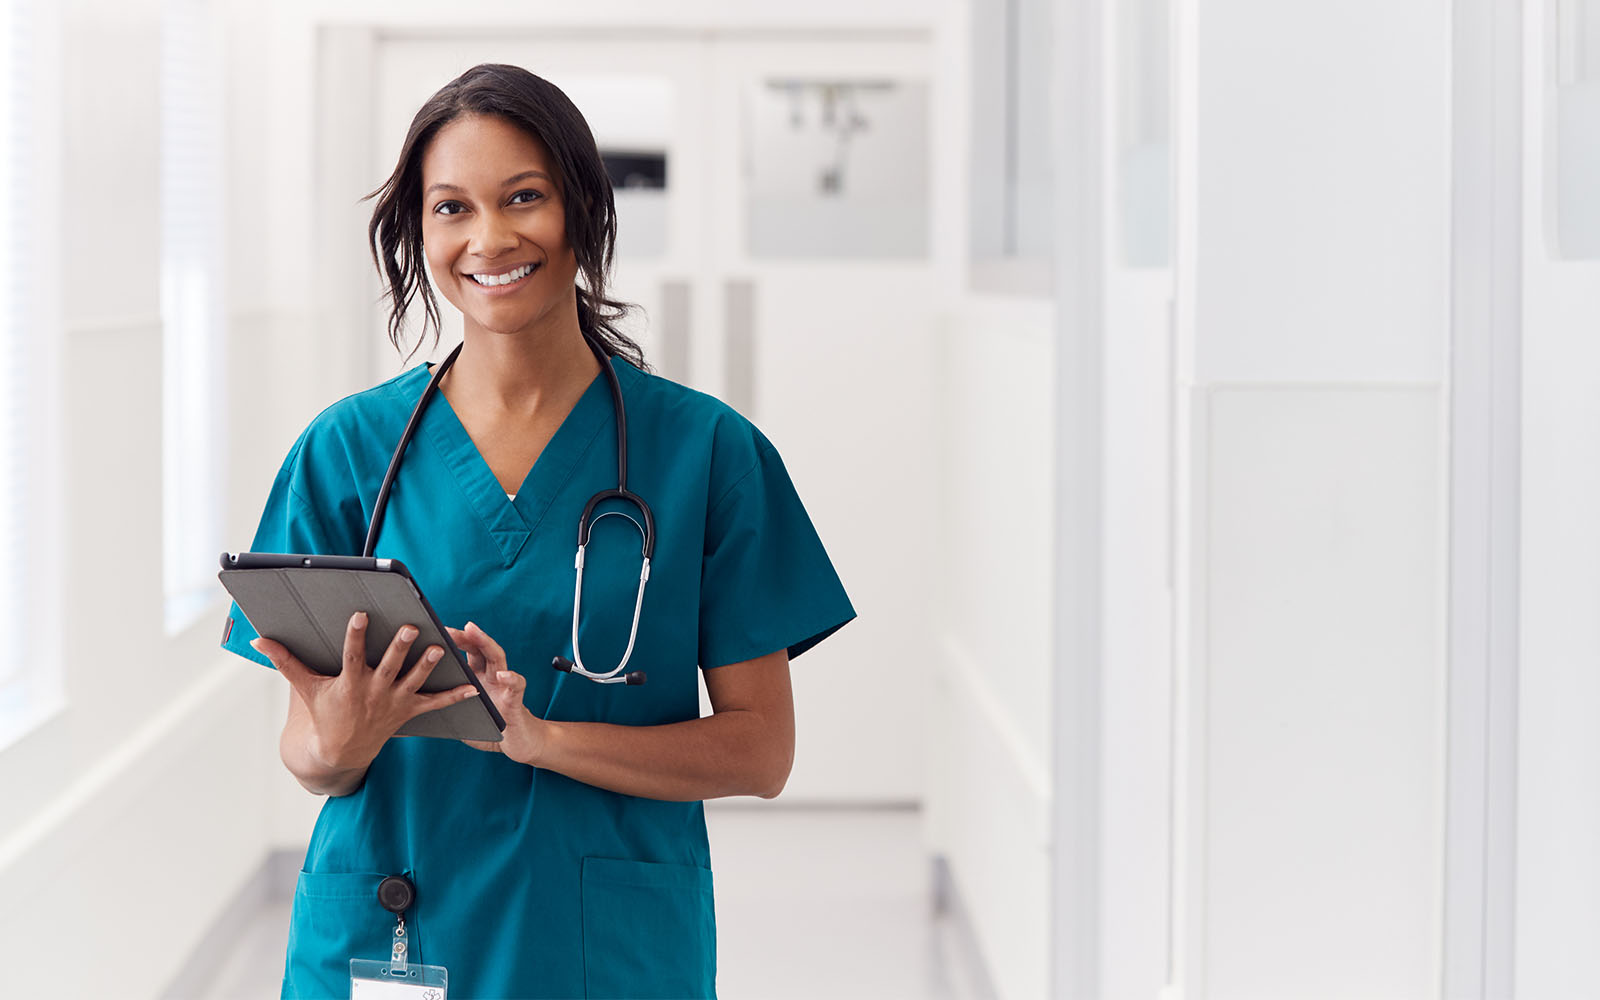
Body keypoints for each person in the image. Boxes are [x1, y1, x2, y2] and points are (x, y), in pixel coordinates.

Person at [220, 63, 855, 999]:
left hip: (604, 947)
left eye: (525, 197)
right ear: (418, 230)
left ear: (584, 211)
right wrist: (343, 740)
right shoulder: (350, 452)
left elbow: (761, 752)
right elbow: (309, 755)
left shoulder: (708, 454)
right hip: (394, 930)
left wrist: (541, 738)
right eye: (451, 208)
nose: (489, 238)